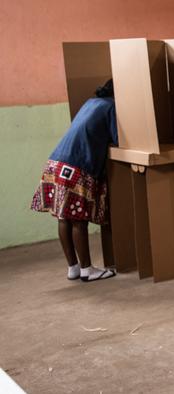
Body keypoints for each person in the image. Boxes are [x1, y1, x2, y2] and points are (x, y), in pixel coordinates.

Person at [30, 80, 118, 282]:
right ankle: (88, 270)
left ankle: (73, 268)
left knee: (64, 217)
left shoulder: (91, 102)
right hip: (76, 166)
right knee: (79, 220)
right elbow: (118, 139)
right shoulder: (111, 106)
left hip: (56, 162)